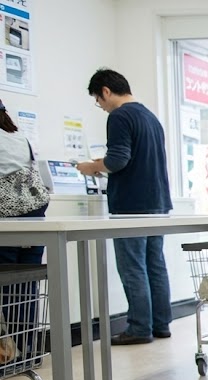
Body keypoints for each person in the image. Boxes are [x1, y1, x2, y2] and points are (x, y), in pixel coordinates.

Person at [76, 68, 173, 345]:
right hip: (157, 202)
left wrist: (91, 167)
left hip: (131, 204)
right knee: (155, 264)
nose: (102, 107)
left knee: (132, 266)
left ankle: (139, 328)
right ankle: (160, 324)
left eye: (98, 100)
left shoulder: (120, 116)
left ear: (106, 91)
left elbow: (118, 160)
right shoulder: (150, 117)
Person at [0, 97, 47, 263]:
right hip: (34, 212)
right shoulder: (20, 137)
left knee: (5, 274)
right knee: (30, 273)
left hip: (6, 214)